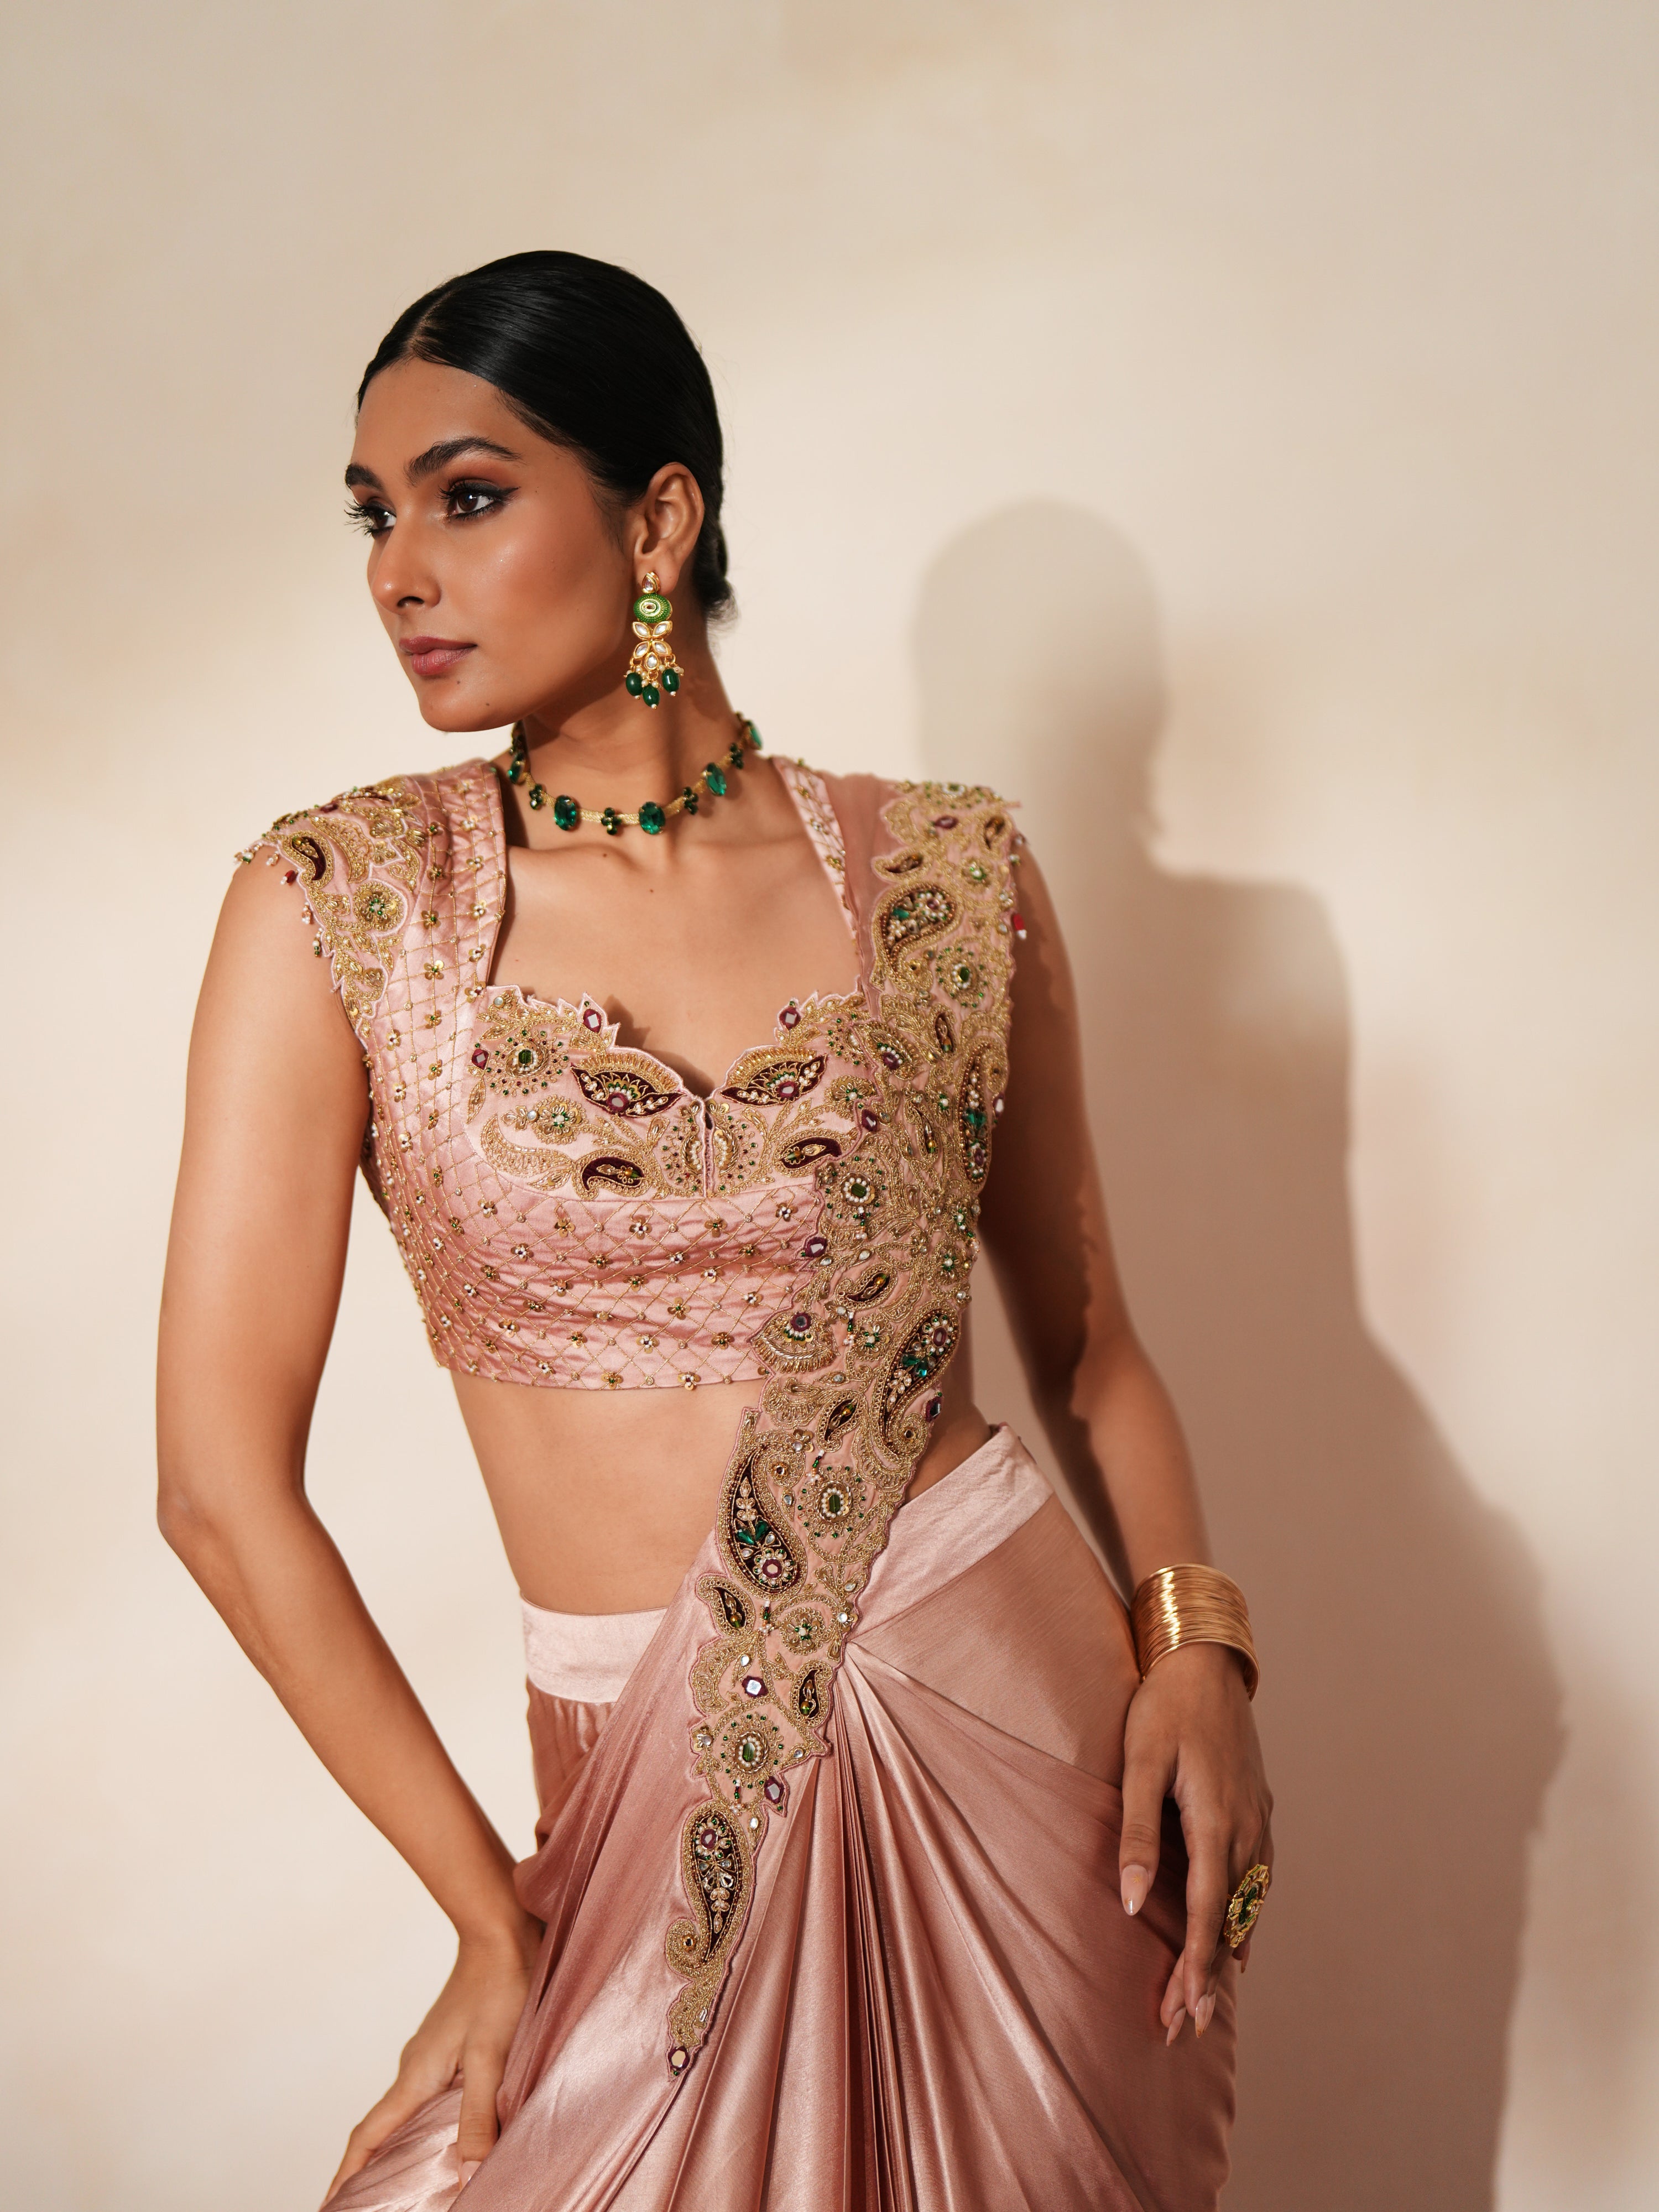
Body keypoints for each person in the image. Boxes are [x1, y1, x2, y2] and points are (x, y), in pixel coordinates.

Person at [156, 250, 1273, 2212]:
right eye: (376, 512)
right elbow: (219, 1490)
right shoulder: (338, 904)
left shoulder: (950, 875)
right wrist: (489, 1917)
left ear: (656, 513)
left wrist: (1197, 1646)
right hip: (643, 1813)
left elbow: (1086, 1340)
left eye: (469, 494)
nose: (400, 568)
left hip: (1023, 1764)